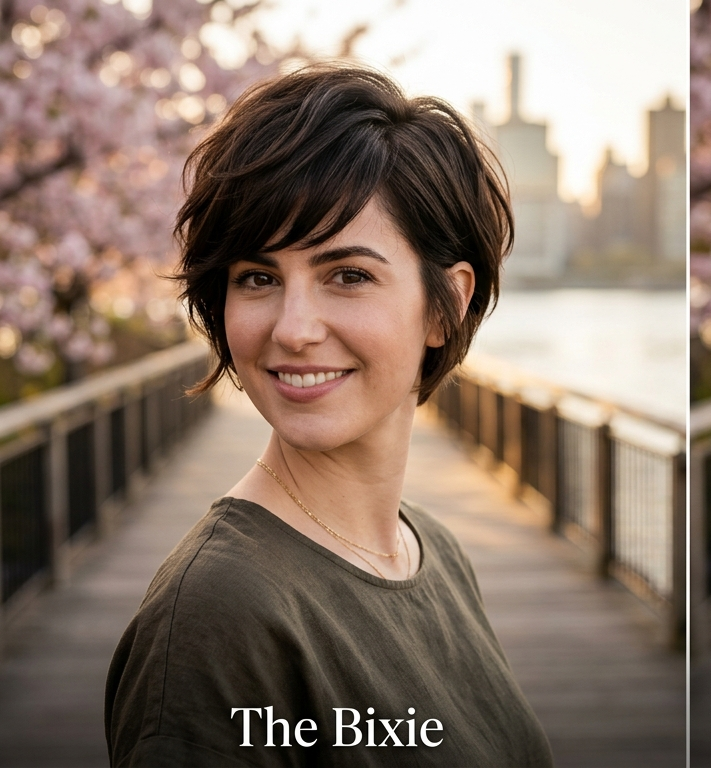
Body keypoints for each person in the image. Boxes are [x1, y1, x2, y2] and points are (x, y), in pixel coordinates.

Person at [105, 63, 553, 767]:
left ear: (448, 302)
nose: (293, 328)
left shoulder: (429, 549)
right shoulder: (217, 619)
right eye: (258, 278)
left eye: (347, 275)